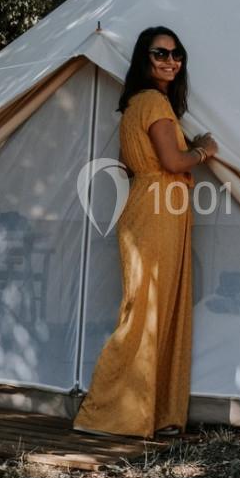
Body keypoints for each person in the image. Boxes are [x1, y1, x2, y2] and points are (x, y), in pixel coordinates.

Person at [73, 26, 218, 438]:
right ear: (144, 58)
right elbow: (173, 162)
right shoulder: (153, 101)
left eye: (177, 55)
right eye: (160, 54)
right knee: (148, 309)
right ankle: (107, 414)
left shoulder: (137, 104)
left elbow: (128, 161)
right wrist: (204, 149)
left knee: (156, 306)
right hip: (157, 208)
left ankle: (154, 413)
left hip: (151, 205)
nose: (170, 61)